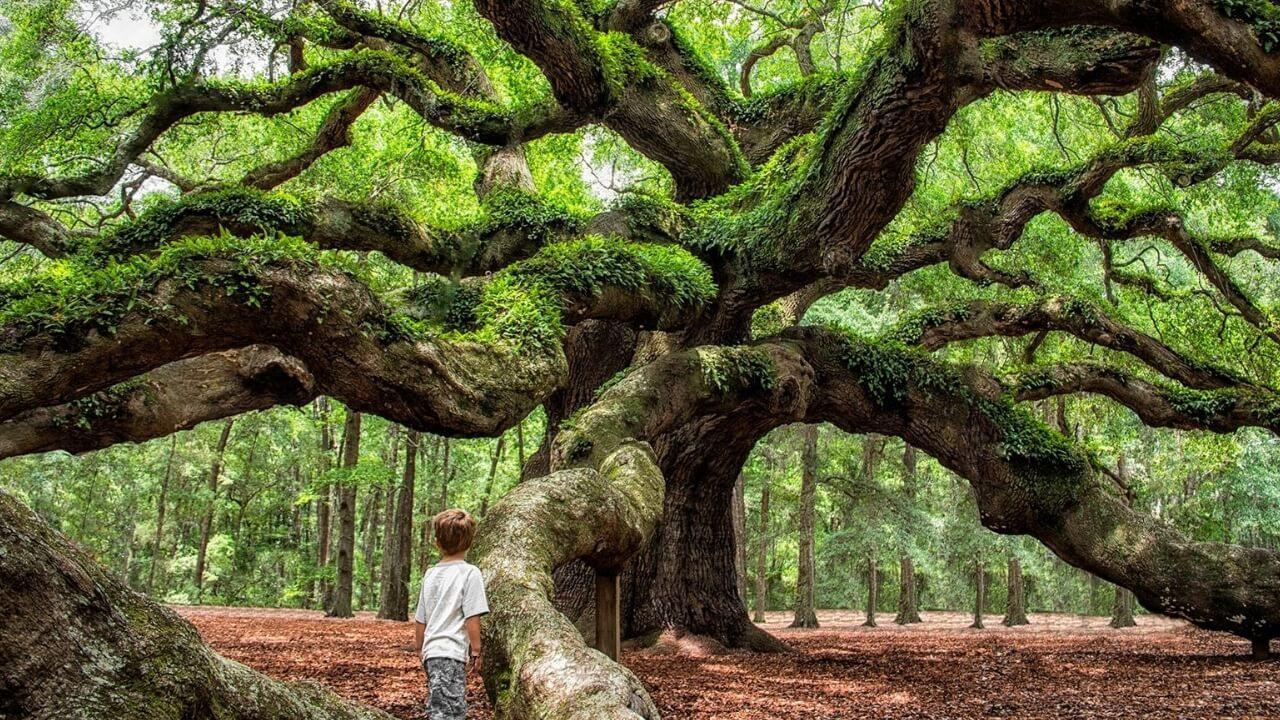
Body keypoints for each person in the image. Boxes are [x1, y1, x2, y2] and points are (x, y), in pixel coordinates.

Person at [413, 508, 489, 720]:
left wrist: (420, 649)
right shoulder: (470, 573)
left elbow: (421, 618)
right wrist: (476, 650)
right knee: (447, 709)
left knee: (447, 705)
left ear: (437, 543)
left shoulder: (431, 574)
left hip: (432, 652)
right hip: (451, 651)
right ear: (469, 542)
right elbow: (472, 617)